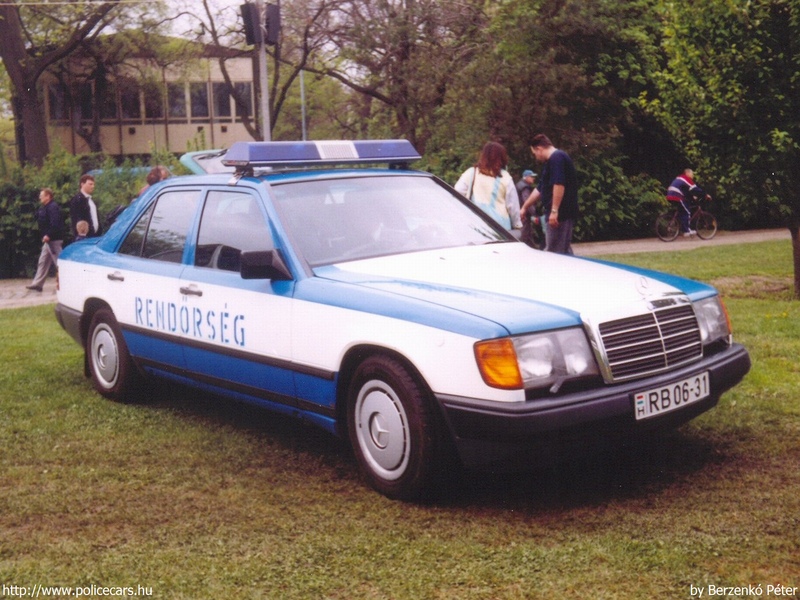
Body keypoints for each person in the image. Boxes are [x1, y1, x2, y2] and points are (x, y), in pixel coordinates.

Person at [520, 134, 579, 254]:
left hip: (559, 216)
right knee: (563, 252)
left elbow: (559, 184)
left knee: (554, 254)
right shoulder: (551, 162)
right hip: (558, 215)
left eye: (534, 153)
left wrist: (554, 210)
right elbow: (540, 189)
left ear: (539, 149)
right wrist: (525, 207)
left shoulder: (557, 158)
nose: (535, 156)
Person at [454, 142, 522, 231]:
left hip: (475, 224)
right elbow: (513, 206)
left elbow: (457, 192)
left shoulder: (471, 173)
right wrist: (517, 224)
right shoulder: (506, 178)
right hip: (500, 227)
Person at [26, 188, 64, 292]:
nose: (39, 197)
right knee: (42, 261)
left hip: (53, 240)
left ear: (48, 196)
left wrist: (48, 235)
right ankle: (37, 284)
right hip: (48, 240)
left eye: (41, 195)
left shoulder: (53, 207)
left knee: (60, 262)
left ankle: (67, 282)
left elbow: (55, 223)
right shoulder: (46, 207)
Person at [666, 168, 711, 236]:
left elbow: (686, 192)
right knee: (687, 211)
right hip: (676, 194)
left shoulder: (680, 178)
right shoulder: (686, 179)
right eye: (692, 173)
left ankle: (679, 226)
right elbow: (695, 189)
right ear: (687, 173)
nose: (693, 175)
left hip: (671, 194)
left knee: (683, 210)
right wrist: (705, 195)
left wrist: (692, 197)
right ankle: (686, 231)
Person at [516, 169, 545, 249]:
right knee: (525, 235)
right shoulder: (525, 187)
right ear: (526, 177)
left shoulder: (520, 185)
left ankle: (533, 250)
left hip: (521, 214)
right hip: (524, 215)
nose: (533, 178)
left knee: (527, 235)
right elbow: (527, 202)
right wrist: (534, 214)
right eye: (531, 177)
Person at [69, 174, 101, 238]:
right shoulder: (77, 200)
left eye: (93, 184)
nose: (93, 186)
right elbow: (77, 219)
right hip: (85, 237)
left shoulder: (91, 201)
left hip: (95, 236)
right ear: (82, 184)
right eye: (90, 184)